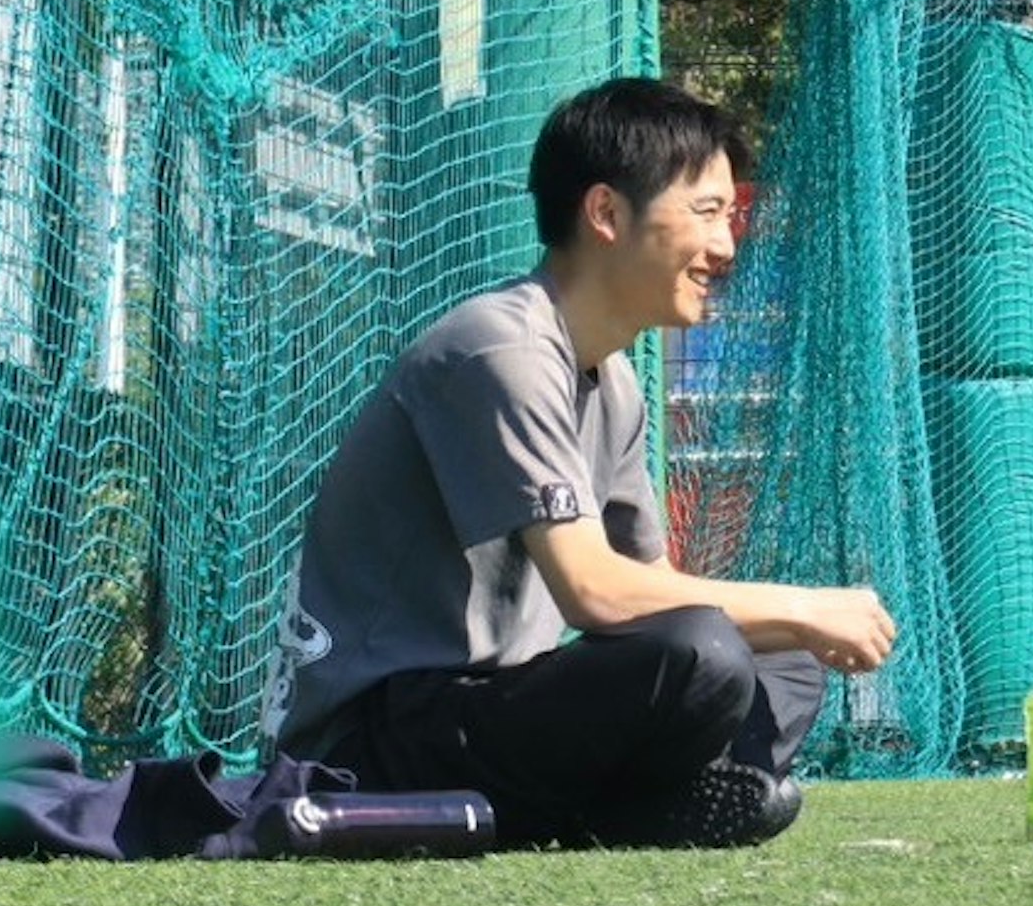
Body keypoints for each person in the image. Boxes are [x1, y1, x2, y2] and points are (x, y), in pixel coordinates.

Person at [270, 77, 897, 848]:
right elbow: (597, 595)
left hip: (490, 712)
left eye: (729, 217)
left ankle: (635, 811)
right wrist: (803, 602)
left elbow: (655, 589)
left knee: (781, 659)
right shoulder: (501, 350)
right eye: (706, 213)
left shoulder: (616, 380)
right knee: (705, 650)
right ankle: (620, 815)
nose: (726, 246)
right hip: (371, 739)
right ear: (605, 212)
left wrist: (794, 627)